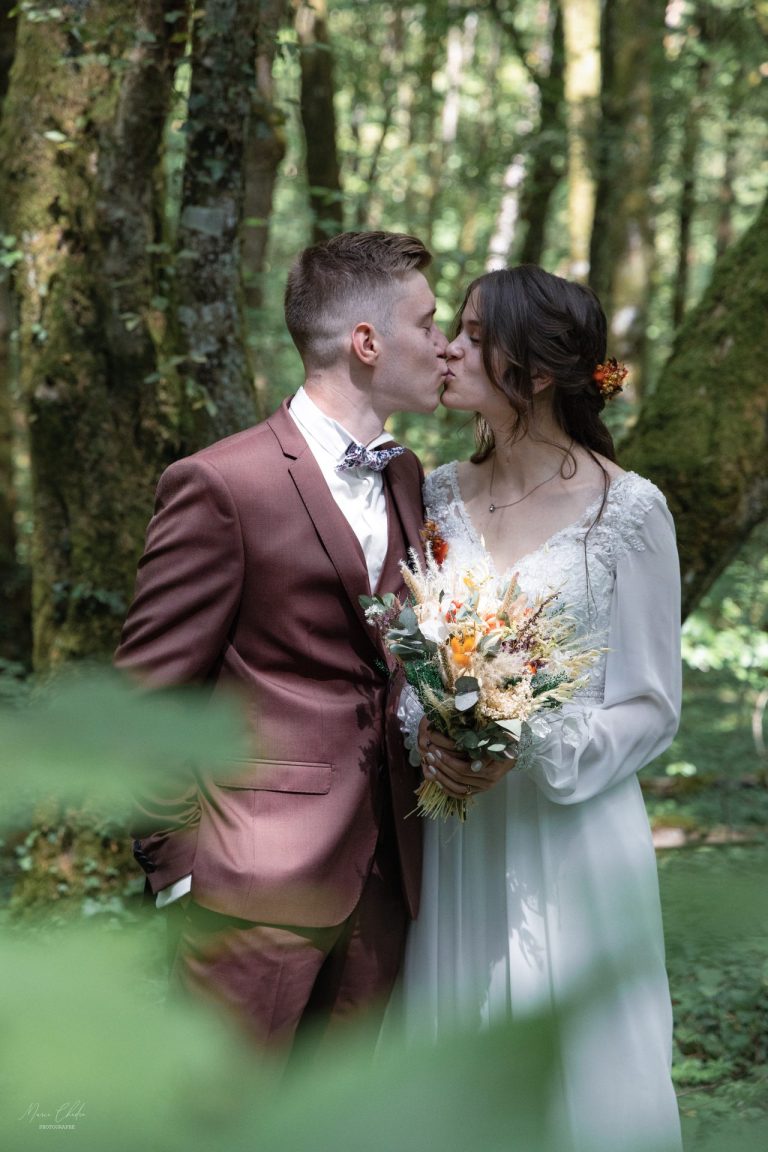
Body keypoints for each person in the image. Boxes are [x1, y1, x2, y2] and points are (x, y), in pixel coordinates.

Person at [115, 230, 449, 1063]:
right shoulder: (224, 483)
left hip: (386, 884)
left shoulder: (407, 475)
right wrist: (179, 869)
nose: (444, 344)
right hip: (248, 890)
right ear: (366, 343)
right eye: (429, 322)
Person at [401, 265, 683, 1152]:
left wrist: (531, 736)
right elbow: (408, 659)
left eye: (476, 334)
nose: (449, 345)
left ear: (540, 367)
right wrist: (432, 737)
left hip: (573, 839)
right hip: (458, 837)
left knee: (581, 1081)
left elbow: (650, 705)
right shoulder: (434, 497)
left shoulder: (627, 512)